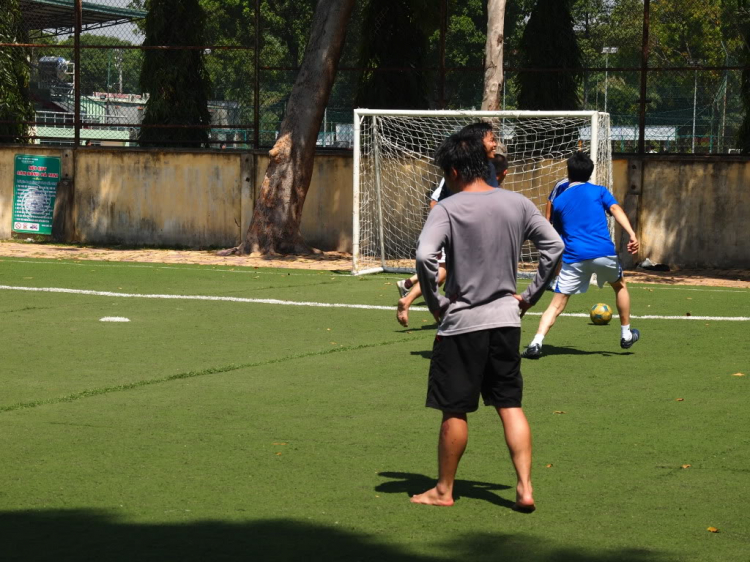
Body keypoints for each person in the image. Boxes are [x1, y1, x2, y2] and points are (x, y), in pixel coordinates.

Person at [409, 131, 563, 510]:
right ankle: (525, 488)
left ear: (457, 170)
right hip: (507, 322)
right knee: (509, 405)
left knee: (455, 408)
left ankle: (444, 490)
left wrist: (435, 303)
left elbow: (426, 256)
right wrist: (528, 297)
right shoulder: (518, 203)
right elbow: (555, 247)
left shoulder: (448, 208)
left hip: (462, 323)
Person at [521, 151, 641, 359]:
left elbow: (556, 233)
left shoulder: (559, 201)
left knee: (557, 303)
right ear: (591, 173)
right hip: (603, 252)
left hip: (574, 257)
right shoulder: (599, 191)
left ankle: (536, 343)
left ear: (568, 173)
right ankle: (626, 334)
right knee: (620, 286)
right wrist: (632, 234)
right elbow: (615, 208)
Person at [396, 123, 500, 327]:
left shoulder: (487, 169)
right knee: (444, 274)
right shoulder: (458, 172)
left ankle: (435, 306)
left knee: (452, 276)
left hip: (471, 237)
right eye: (491, 139)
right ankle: (415, 301)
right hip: (455, 235)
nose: (496, 143)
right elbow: (436, 203)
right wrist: (443, 229)